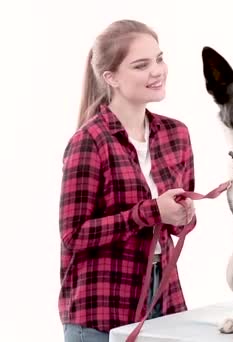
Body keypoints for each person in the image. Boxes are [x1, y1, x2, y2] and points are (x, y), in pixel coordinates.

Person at [59, 19, 197, 342]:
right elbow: (73, 235)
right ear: (111, 78)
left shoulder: (176, 135)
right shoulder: (89, 141)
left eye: (159, 59)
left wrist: (183, 215)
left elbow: (178, 226)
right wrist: (152, 212)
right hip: (101, 308)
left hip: (164, 302)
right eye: (141, 65)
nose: (157, 71)